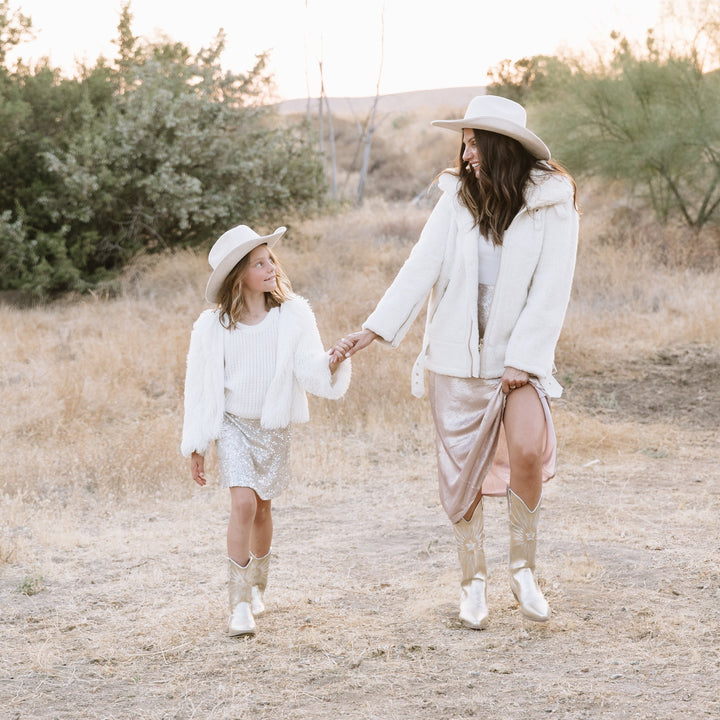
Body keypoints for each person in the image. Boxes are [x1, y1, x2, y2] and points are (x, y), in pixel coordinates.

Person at [338, 95, 579, 628]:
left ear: (501, 147)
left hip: (516, 362)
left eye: (474, 144)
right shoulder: (455, 200)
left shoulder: (553, 204)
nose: (466, 155)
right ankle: (472, 583)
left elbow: (552, 289)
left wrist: (524, 358)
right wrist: (373, 330)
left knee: (527, 451)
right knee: (462, 475)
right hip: (452, 358)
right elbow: (420, 266)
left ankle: (524, 572)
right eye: (464, 143)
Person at [181, 224, 351, 637]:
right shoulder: (212, 327)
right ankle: (238, 604)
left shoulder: (292, 315)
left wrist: (333, 359)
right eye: (259, 263)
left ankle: (258, 586)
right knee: (242, 504)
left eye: (270, 259)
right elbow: (200, 388)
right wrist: (197, 443)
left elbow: (309, 367)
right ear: (239, 274)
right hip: (234, 424)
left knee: (262, 508)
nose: (270, 267)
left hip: (272, 426)